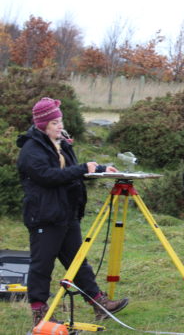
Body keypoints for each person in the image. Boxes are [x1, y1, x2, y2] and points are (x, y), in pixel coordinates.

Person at [16, 97, 129, 327]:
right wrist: (81, 169)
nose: (60, 126)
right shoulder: (31, 149)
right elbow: (47, 177)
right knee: (42, 265)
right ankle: (40, 314)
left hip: (66, 213)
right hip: (44, 216)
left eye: (60, 121)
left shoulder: (60, 143)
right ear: (43, 124)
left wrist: (99, 168)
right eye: (55, 122)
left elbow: (72, 170)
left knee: (78, 261)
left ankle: (99, 303)